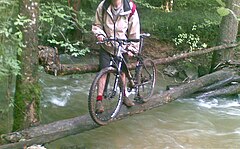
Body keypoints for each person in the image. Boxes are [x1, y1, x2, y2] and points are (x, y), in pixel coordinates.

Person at [92, 0, 140, 113]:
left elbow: (134, 30)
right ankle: (99, 101)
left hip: (122, 46)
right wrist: (99, 34)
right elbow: (97, 25)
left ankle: (124, 96)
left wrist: (132, 48)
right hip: (107, 45)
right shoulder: (103, 6)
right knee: (103, 72)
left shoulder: (130, 8)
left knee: (122, 72)